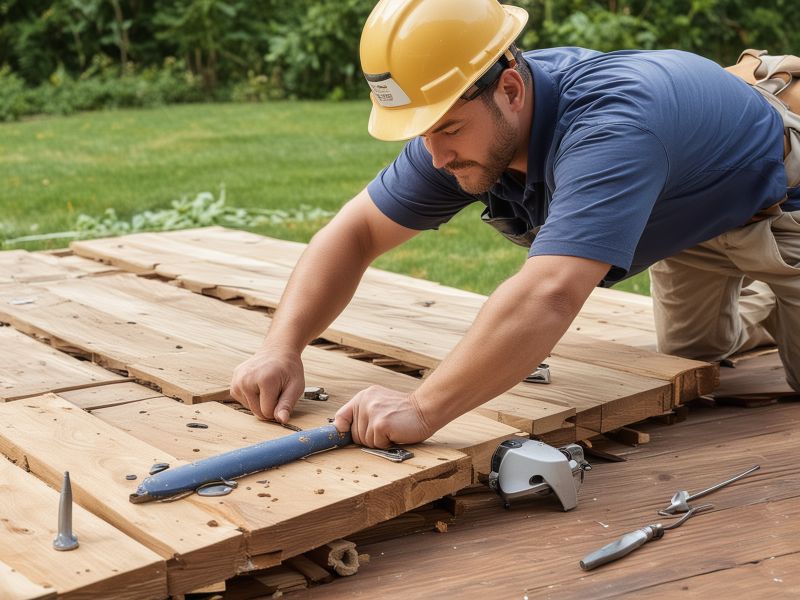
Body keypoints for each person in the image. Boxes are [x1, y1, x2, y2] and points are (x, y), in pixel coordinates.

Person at [231, 0, 800, 448]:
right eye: (420, 132)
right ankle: (764, 300)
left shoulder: (611, 126)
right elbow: (352, 234)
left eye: (448, 130)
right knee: (695, 354)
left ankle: (775, 282)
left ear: (509, 88)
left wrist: (423, 408)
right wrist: (280, 348)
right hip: (686, 213)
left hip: (778, 204)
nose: (434, 156)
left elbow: (551, 292)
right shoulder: (463, 128)